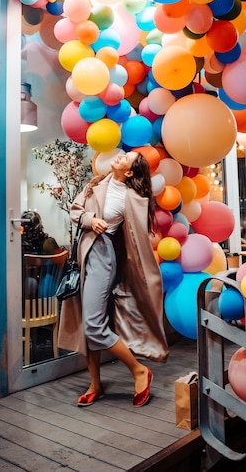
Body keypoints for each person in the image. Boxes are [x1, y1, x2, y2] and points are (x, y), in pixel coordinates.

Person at [58, 151, 168, 408]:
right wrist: (90, 220)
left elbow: (137, 240)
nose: (120, 156)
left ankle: (139, 370)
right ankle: (95, 383)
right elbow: (76, 211)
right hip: (84, 255)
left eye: (126, 158)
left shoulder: (135, 198)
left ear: (129, 172)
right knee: (89, 321)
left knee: (93, 324)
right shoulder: (97, 183)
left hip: (104, 257)